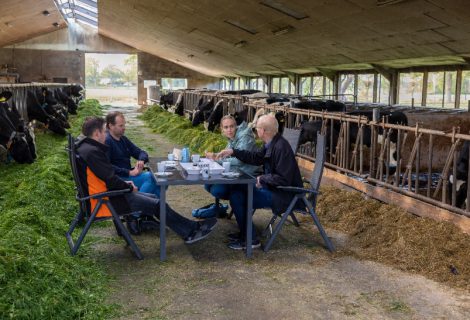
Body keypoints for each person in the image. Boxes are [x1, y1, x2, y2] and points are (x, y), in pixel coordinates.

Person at [76, 116, 216, 244]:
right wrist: (128, 186)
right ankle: (189, 232)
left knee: (154, 198)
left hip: (108, 194)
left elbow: (108, 177)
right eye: (103, 130)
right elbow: (110, 177)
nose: (105, 133)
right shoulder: (93, 152)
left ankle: (189, 227)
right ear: (96, 134)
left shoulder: (86, 148)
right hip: (107, 200)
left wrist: (127, 183)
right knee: (157, 204)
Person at [217, 114, 302, 250]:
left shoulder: (281, 148)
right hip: (275, 189)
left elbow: (284, 179)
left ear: (263, 131)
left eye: (257, 128)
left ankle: (250, 239)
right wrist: (234, 151)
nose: (255, 130)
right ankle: (246, 234)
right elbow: (256, 158)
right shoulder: (271, 143)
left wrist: (262, 178)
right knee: (237, 192)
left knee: (237, 196)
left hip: (285, 195)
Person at [204, 115, 261, 200]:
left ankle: (239, 200)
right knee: (207, 185)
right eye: (226, 127)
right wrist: (214, 155)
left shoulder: (244, 137)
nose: (229, 130)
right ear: (222, 129)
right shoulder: (232, 138)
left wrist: (217, 159)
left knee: (217, 190)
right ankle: (221, 207)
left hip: (249, 174)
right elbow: (226, 155)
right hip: (237, 171)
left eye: (231, 126)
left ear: (236, 126)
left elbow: (239, 161)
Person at [105, 111, 161, 197]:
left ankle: (157, 208)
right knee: (151, 177)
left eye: (124, 125)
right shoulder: (107, 141)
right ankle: (138, 203)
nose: (124, 128)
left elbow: (141, 152)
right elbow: (107, 166)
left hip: (129, 175)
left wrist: (141, 160)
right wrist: (129, 172)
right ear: (110, 126)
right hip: (119, 178)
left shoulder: (122, 139)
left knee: (160, 180)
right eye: (121, 126)